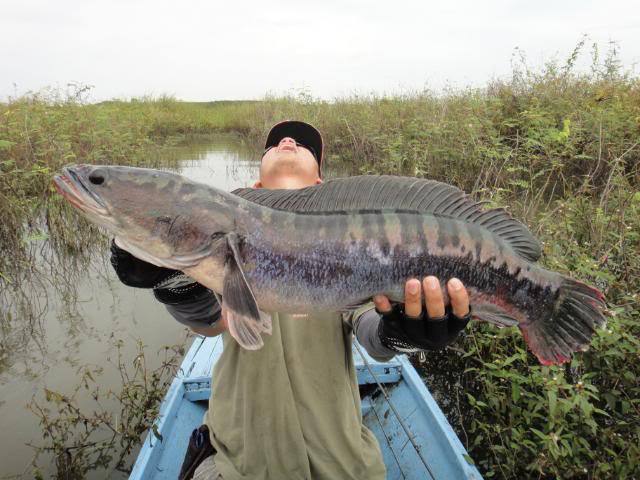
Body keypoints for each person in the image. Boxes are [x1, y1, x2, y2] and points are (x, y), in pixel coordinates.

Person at [110, 121, 472, 480]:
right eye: (276, 143)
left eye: (305, 146)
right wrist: (173, 279)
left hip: (343, 467)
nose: (288, 140)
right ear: (255, 187)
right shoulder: (222, 237)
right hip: (237, 466)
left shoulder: (355, 248)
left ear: (321, 186)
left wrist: (405, 333)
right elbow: (209, 320)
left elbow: (372, 335)